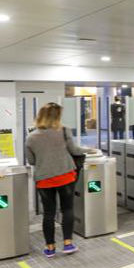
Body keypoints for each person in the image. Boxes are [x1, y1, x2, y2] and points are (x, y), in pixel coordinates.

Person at [25, 103, 91, 258]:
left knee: (48, 213)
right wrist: (90, 150)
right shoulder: (63, 130)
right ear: (57, 116)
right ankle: (68, 244)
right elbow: (74, 150)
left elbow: (31, 161)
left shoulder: (31, 136)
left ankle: (50, 248)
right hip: (65, 176)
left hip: (44, 179)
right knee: (67, 209)